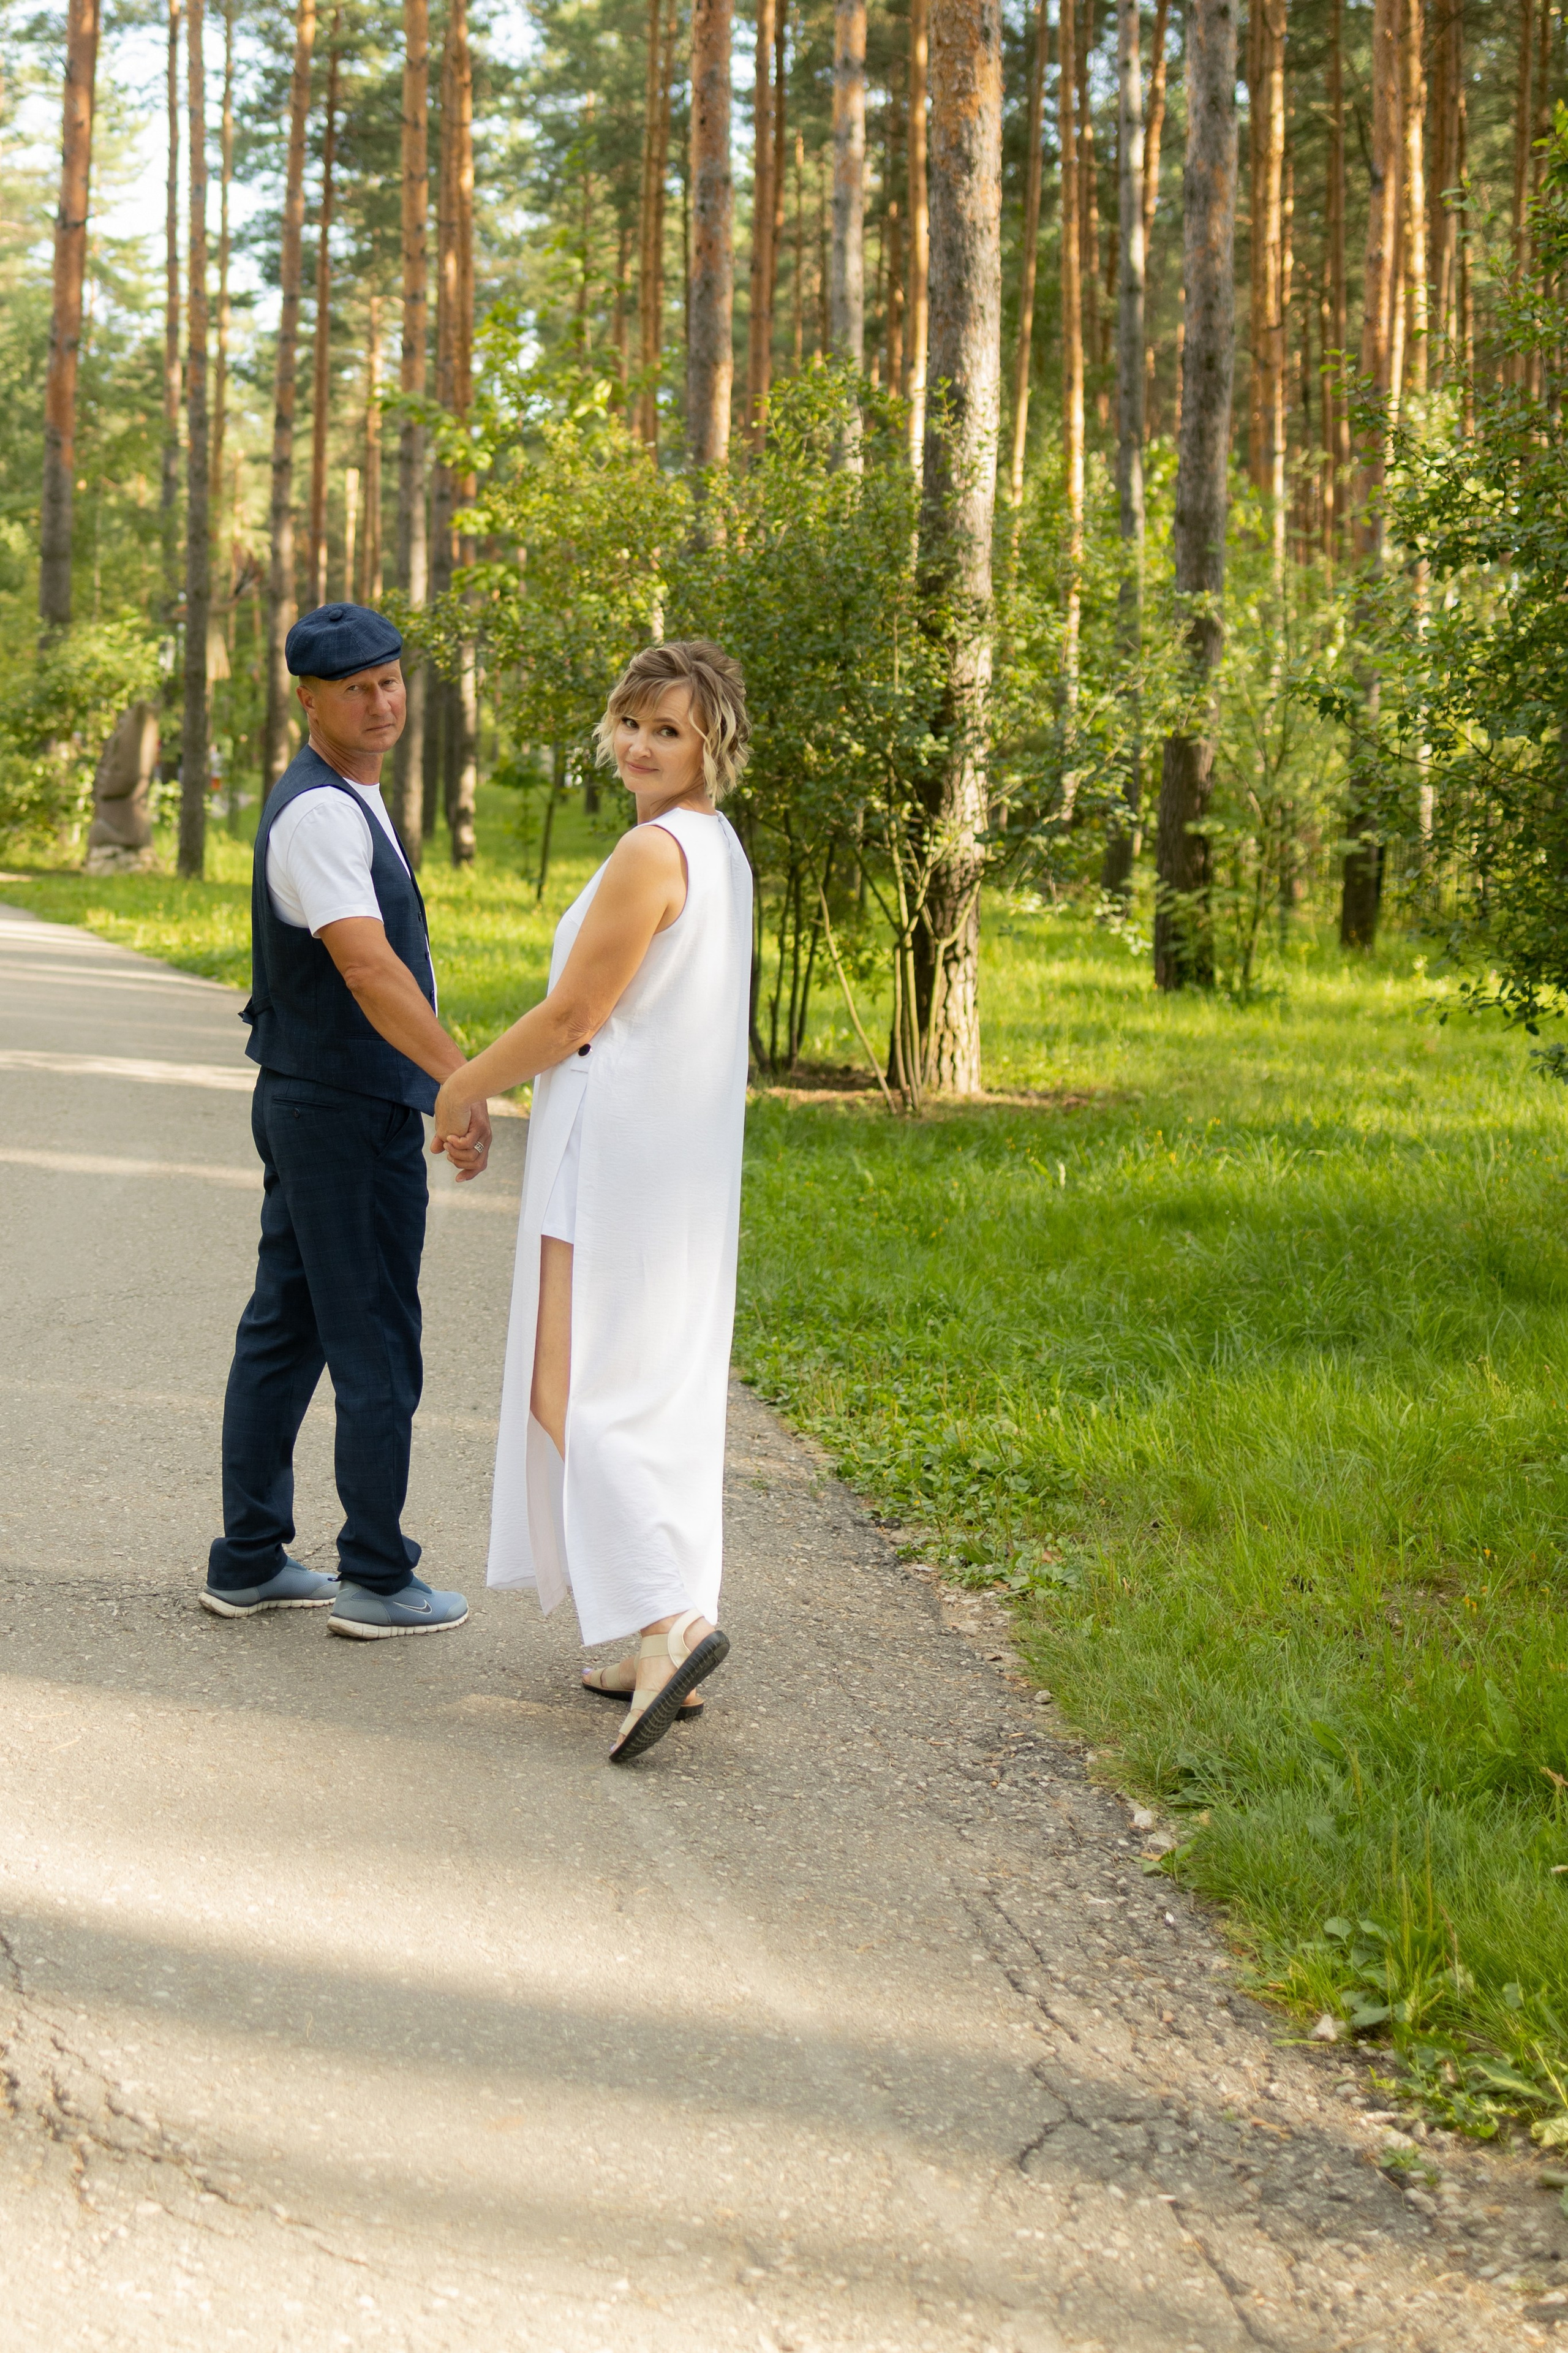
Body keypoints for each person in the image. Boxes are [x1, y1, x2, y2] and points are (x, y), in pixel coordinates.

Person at [431, 640, 753, 1761]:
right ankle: (639, 1631)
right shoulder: (719, 850)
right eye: (629, 721)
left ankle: (670, 1619)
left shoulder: (649, 852)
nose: (640, 745)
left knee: (567, 1387)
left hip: (612, 1160)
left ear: (712, 739)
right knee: (648, 1390)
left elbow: (576, 1017)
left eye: (667, 729)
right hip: (678, 1169)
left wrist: (464, 1080)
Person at [202, 603, 490, 1636]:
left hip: (314, 1097)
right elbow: (368, 969)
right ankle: (375, 1572)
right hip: (341, 1111)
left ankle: (247, 1559)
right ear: (309, 698)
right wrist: (460, 1078)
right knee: (374, 1335)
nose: (383, 700)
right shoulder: (322, 814)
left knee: (289, 1326)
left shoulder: (347, 798)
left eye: (391, 679)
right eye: (356, 687)